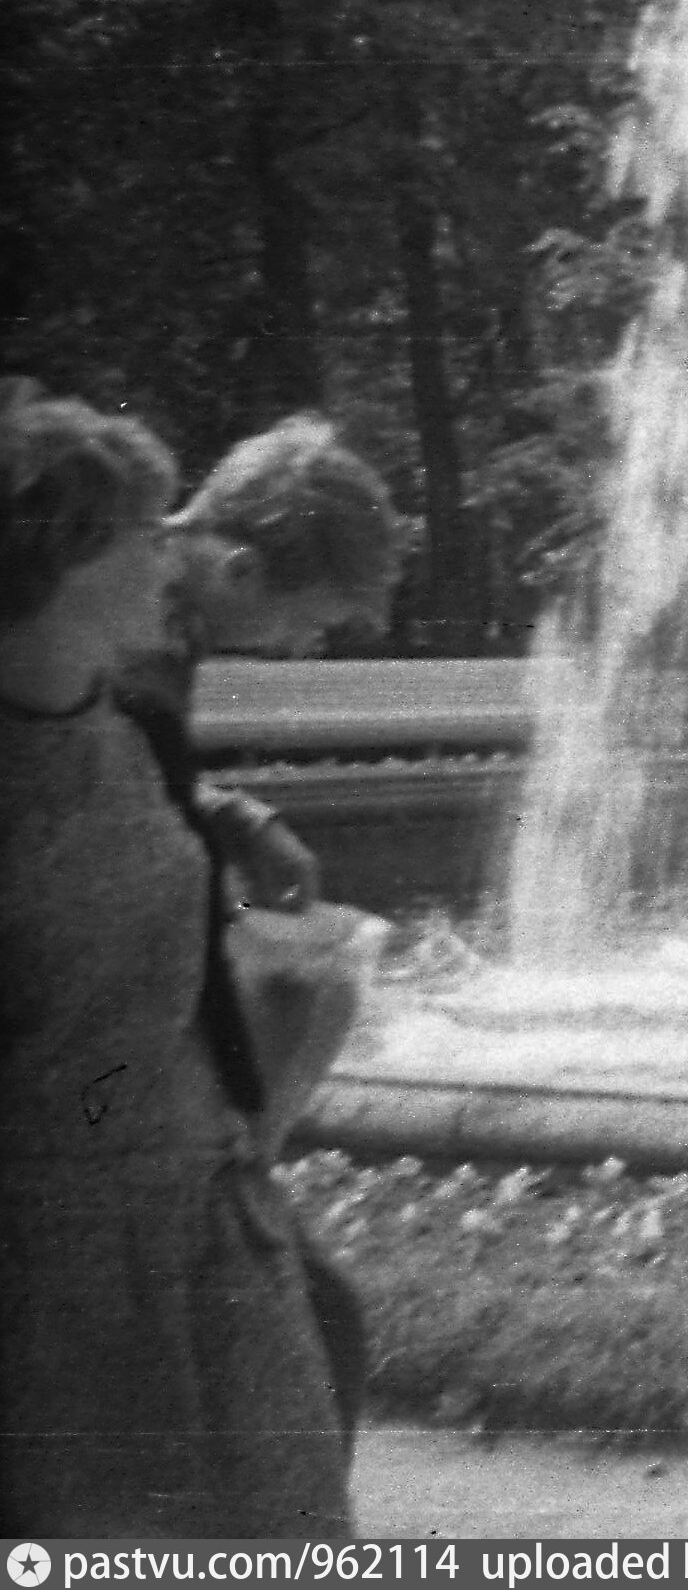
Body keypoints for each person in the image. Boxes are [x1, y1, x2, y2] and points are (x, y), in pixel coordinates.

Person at [0, 390, 354, 1534]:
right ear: (57, 563)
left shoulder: (119, 730)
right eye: (139, 536)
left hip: (193, 1194)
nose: (169, 554)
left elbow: (133, 979)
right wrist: (115, 1116)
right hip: (67, 1235)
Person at [110, 412, 401, 1437]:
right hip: (101, 1088)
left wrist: (232, 815)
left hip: (114, 1076)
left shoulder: (138, 608)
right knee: (306, 1330)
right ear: (239, 567)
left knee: (306, 1324)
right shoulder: (122, 627)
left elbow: (119, 781)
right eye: (304, 621)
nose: (299, 647)